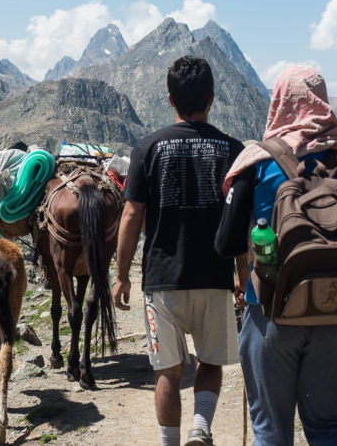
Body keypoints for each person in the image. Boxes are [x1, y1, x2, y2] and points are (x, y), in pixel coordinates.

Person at [215, 65, 337, 446]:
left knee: (271, 431)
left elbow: (224, 243)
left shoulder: (256, 163)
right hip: (334, 308)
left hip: (269, 311)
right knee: (331, 426)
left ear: (280, 102)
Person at [114, 55, 245, 446]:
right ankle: (201, 429)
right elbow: (240, 220)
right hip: (216, 277)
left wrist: (122, 275)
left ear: (170, 98)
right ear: (213, 98)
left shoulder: (148, 147)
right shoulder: (232, 149)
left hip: (162, 280)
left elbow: (132, 214)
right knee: (209, 362)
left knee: (168, 372)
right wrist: (243, 273)